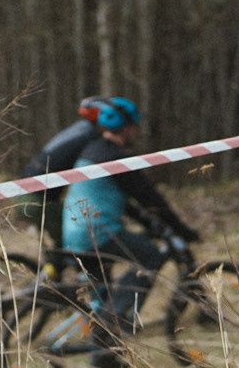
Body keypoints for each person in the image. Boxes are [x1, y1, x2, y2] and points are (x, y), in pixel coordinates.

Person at [40, 96, 196, 350]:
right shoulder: (117, 159)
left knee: (103, 294)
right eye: (134, 126)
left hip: (75, 234)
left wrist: (150, 223)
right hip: (97, 235)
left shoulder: (92, 152)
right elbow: (150, 198)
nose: (136, 132)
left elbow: (129, 203)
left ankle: (106, 350)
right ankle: (112, 321)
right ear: (125, 127)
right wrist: (182, 230)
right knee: (151, 257)